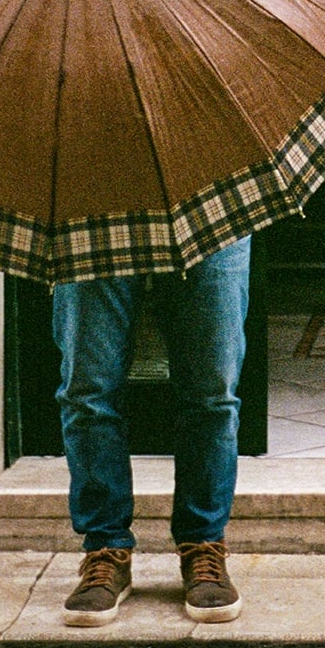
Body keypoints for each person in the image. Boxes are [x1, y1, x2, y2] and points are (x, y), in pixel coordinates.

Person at [52, 236, 252, 626]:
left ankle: (203, 543)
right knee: (88, 393)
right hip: (95, 203)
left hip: (208, 201)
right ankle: (106, 549)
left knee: (212, 394)